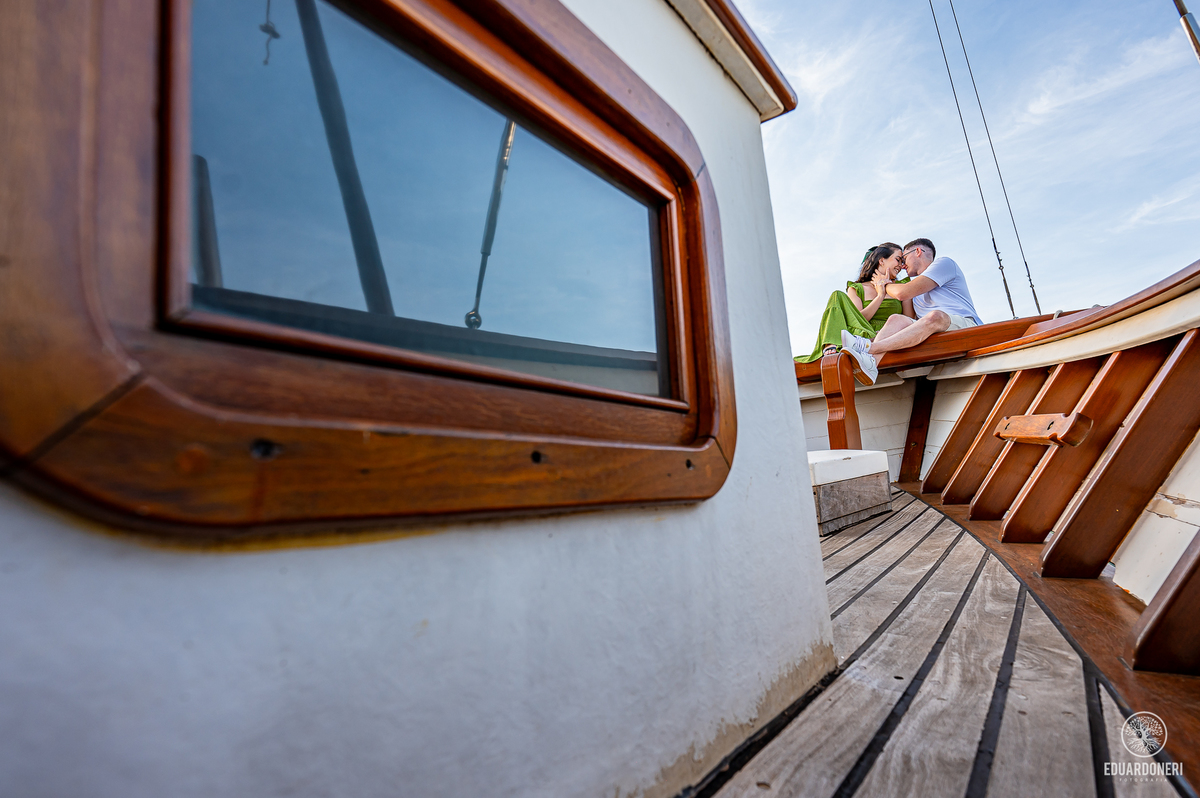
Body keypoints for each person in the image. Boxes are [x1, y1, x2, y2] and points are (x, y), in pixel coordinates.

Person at [840, 238, 982, 383]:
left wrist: (882, 284)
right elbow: (909, 319)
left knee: (935, 316)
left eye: (904, 258)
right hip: (932, 332)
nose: (902, 266)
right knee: (896, 319)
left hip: (964, 326)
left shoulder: (944, 264)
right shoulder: (915, 289)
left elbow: (903, 293)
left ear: (918, 252)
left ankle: (869, 348)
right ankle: (870, 364)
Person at [796, 243, 914, 363]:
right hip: (862, 337)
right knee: (837, 295)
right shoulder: (857, 288)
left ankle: (856, 343)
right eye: (898, 260)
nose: (901, 265)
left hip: (891, 335)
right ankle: (831, 344)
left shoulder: (902, 287)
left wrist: (887, 332)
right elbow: (858, 320)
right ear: (882, 260)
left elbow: (909, 320)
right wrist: (880, 296)